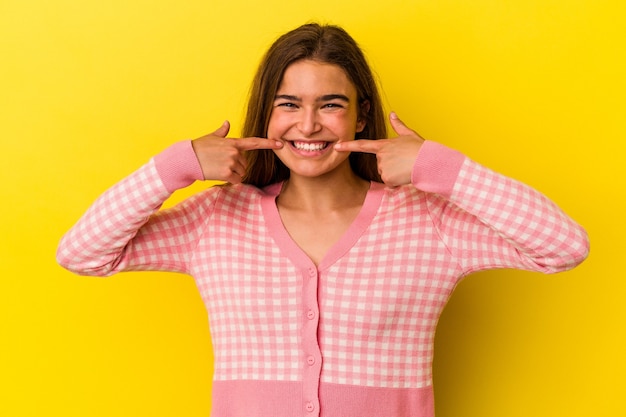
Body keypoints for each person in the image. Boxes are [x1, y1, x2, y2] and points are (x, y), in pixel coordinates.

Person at [57, 23, 589, 417]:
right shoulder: (217, 217)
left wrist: (440, 167)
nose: (307, 124)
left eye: (331, 104)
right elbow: (82, 254)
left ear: (360, 115)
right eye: (288, 104)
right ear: (267, 114)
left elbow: (564, 246)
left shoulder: (426, 220)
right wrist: (175, 167)